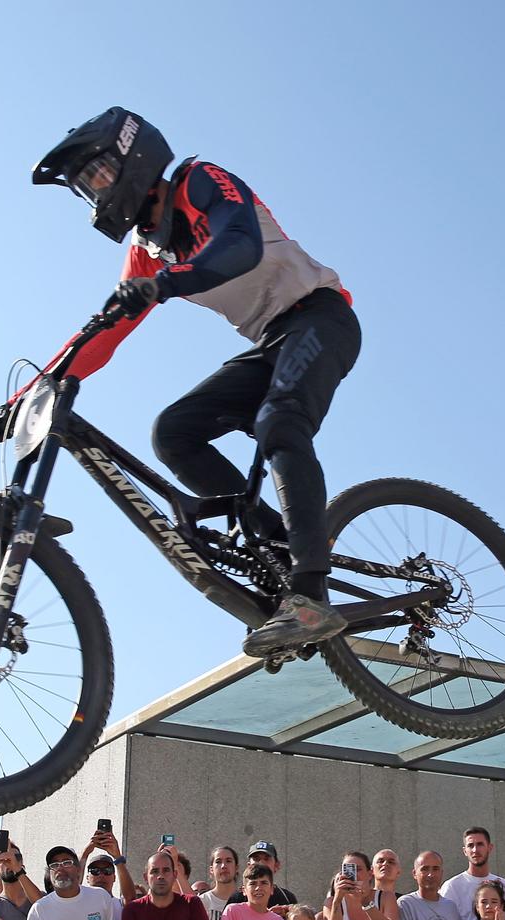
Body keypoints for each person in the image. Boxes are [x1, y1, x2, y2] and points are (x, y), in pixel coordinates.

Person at [32, 107, 361, 657]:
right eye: (85, 189)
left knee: (279, 421)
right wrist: (33, 392)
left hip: (320, 317)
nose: (96, 195)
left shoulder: (202, 181)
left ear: (132, 159)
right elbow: (103, 333)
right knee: (174, 433)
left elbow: (240, 246)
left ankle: (310, 593)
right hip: (270, 340)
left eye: (98, 177)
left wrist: (166, 283)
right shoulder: (147, 249)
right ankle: (274, 550)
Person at [440, 827, 505, 920]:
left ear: (490, 848)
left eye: (480, 844)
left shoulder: (504, 885)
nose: (475, 850)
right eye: (470, 845)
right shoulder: (452, 886)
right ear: (464, 851)